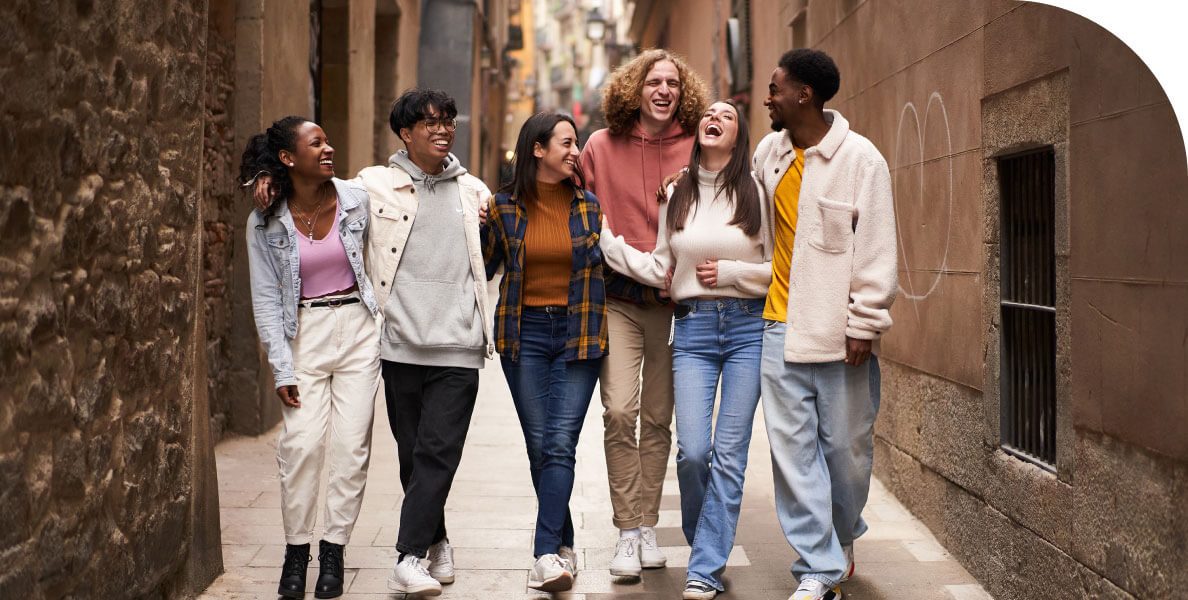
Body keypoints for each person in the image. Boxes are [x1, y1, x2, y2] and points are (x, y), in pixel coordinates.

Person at [599, 100, 771, 600]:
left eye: (728, 115)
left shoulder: (758, 190)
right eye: (709, 115)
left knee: (730, 455)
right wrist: (609, 244)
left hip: (746, 331)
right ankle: (705, 545)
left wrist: (736, 274)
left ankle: (705, 564)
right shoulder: (677, 192)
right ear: (699, 130)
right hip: (693, 331)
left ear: (738, 135)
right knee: (695, 452)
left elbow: (780, 267)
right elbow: (661, 268)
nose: (715, 119)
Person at [754, 49, 897, 600]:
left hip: (840, 337)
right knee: (792, 458)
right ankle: (817, 567)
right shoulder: (770, 153)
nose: (768, 98)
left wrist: (865, 322)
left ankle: (841, 535)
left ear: (803, 95)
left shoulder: (862, 160)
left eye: (775, 88)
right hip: (776, 328)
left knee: (847, 453)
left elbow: (878, 249)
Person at [577, 48, 708, 577]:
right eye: (654, 81)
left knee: (658, 419)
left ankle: (648, 524)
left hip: (679, 306)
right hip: (618, 300)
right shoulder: (600, 147)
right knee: (618, 412)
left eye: (673, 83)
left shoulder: (697, 144)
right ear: (634, 89)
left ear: (683, 92)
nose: (664, 91)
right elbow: (577, 208)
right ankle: (626, 531)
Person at [241, 116, 380, 599]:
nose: (328, 147)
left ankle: (334, 551)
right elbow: (263, 297)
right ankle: (296, 553)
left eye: (326, 139)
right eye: (315, 142)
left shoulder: (356, 197)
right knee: (300, 447)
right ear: (287, 158)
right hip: (303, 333)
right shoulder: (264, 218)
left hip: (359, 332)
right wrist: (280, 365)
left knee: (350, 450)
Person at [481, 112, 607, 593]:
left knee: (559, 443)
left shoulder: (590, 206)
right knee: (542, 447)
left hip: (578, 336)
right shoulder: (503, 207)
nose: (576, 151)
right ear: (538, 149)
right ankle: (564, 543)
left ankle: (542, 555)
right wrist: (476, 225)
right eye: (567, 142)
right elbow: (485, 264)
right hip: (524, 335)